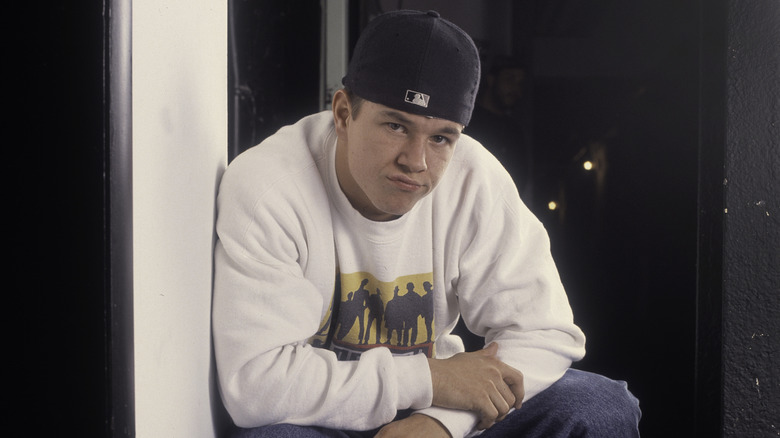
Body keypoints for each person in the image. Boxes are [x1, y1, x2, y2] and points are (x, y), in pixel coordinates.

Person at [212, 9, 641, 438]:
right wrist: (431, 380)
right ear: (343, 114)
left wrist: (441, 422)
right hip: (325, 417)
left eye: (440, 138)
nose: (415, 161)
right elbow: (255, 384)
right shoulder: (270, 187)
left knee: (600, 407)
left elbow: (546, 333)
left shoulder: (474, 179)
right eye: (396, 126)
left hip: (436, 407)